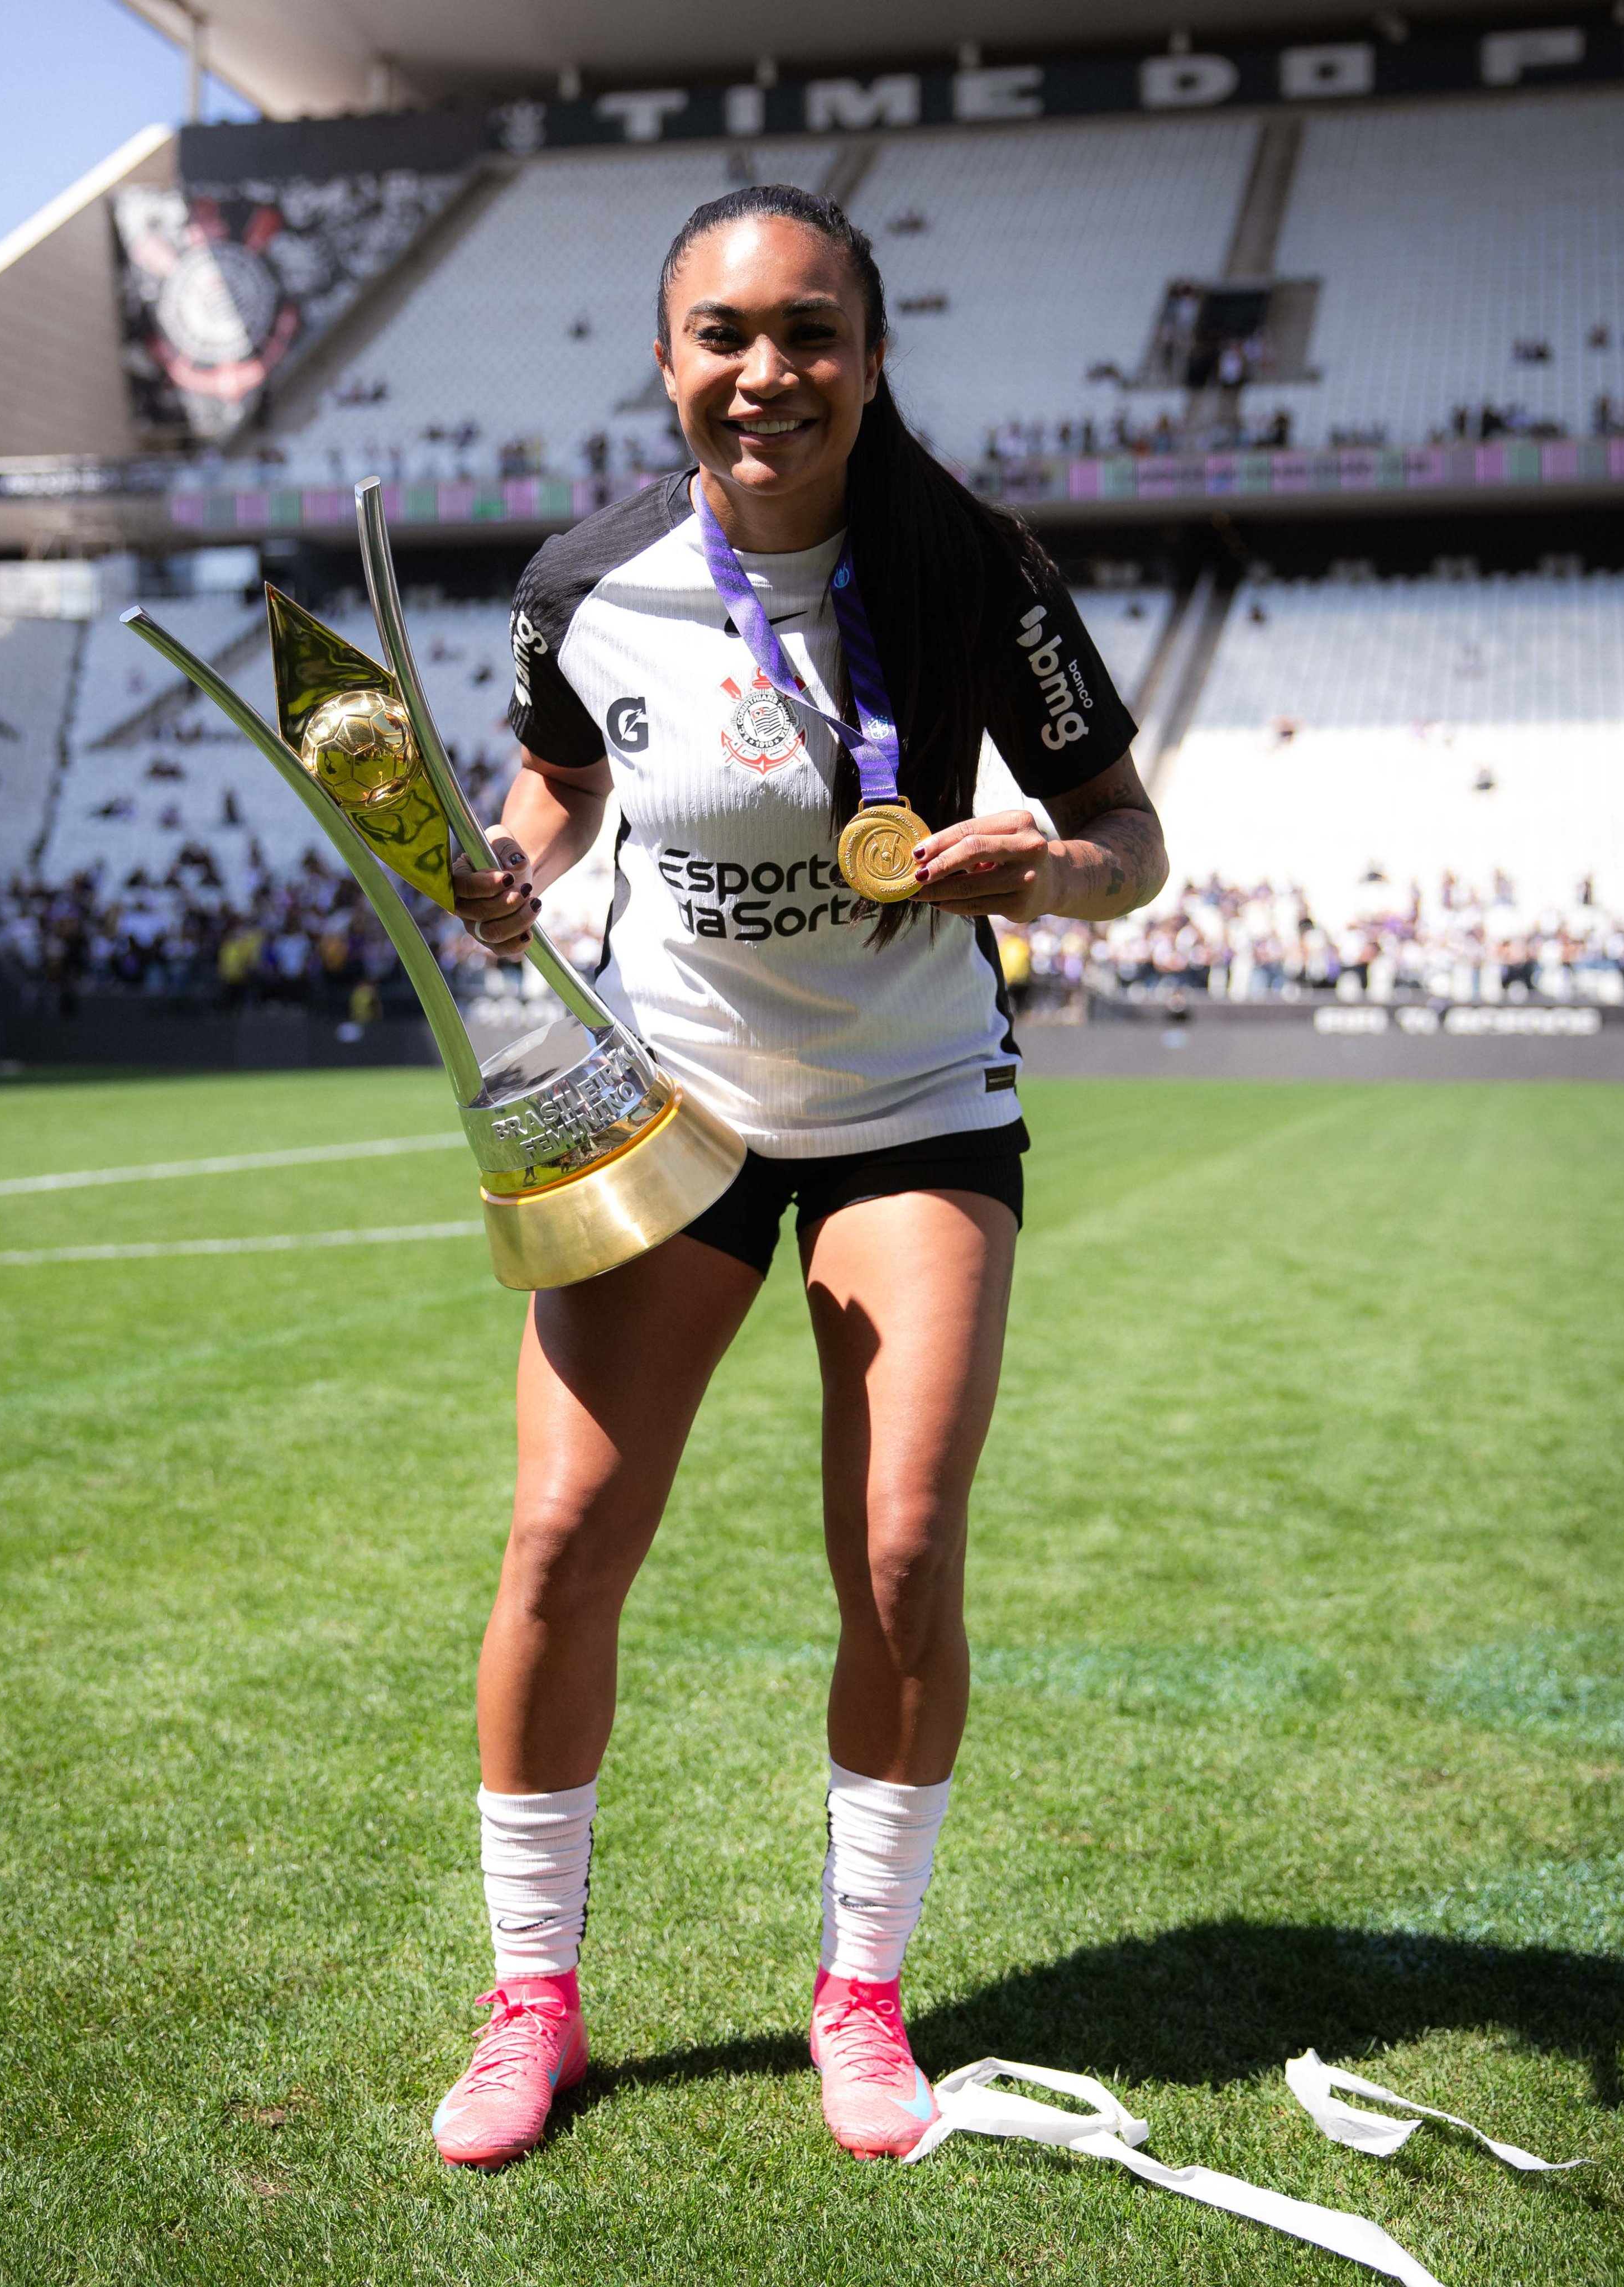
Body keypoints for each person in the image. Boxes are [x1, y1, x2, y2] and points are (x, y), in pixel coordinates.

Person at [430, 185, 1168, 2171]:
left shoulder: (973, 566)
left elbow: (1128, 830)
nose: (771, 374)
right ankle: (532, 2004)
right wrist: (517, 875)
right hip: (672, 1110)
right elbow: (560, 780)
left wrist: (1058, 871)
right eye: (728, 337)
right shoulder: (583, 580)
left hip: (917, 1103)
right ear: (669, 359)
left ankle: (861, 1991)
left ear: (871, 347)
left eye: (813, 333)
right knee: (564, 1543)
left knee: (907, 1555)